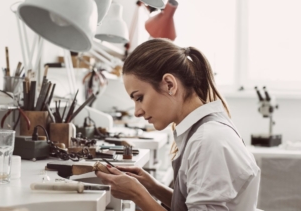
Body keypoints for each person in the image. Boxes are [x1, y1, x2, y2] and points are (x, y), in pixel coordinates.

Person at [96, 38, 260, 211]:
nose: (137, 111)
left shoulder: (207, 140)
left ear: (169, 85)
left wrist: (138, 195)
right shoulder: (204, 131)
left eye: (139, 98)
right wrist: (152, 187)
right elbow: (192, 204)